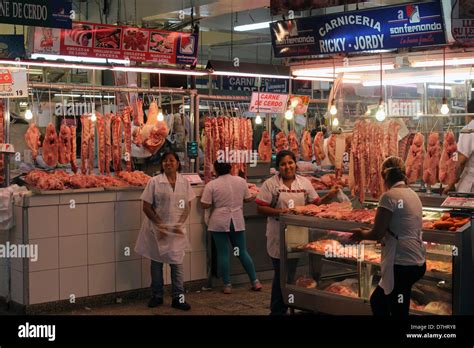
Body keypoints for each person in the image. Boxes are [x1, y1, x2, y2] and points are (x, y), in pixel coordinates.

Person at [256, 150, 338, 315]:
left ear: (295, 163)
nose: (288, 167)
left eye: (290, 163)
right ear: (278, 167)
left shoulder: (304, 183)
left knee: (289, 273)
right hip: (277, 235)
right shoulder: (271, 184)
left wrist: (329, 196)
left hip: (298, 235)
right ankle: (278, 309)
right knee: (282, 273)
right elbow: (260, 208)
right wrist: (282, 213)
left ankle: (286, 306)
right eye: (283, 164)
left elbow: (316, 205)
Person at [350, 156, 426, 317]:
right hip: (416, 261)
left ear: (384, 176)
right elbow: (392, 227)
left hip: (401, 262)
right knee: (381, 300)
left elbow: (377, 233)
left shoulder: (389, 197)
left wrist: (361, 234)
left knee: (393, 306)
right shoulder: (413, 194)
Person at [135, 150, 195, 310]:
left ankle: (178, 298)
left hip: (176, 230)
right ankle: (157, 295)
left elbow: (189, 205)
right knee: (156, 264)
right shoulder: (154, 182)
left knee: (177, 265)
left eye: (171, 160)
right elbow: (146, 207)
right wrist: (160, 225)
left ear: (177, 163)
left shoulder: (185, 182)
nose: (168, 163)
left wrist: (180, 223)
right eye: (165, 161)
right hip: (156, 230)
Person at [200, 161, 262, 294]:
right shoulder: (240, 181)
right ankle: (255, 281)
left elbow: (205, 204)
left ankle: (227, 285)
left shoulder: (212, 184)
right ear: (230, 168)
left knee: (223, 253)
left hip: (219, 222)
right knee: (242, 252)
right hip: (237, 221)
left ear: (215, 170)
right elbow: (247, 198)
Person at [444, 100, 474, 193]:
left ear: (468, 113)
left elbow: (460, 159)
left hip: (470, 185)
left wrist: (451, 184)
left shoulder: (469, 129)